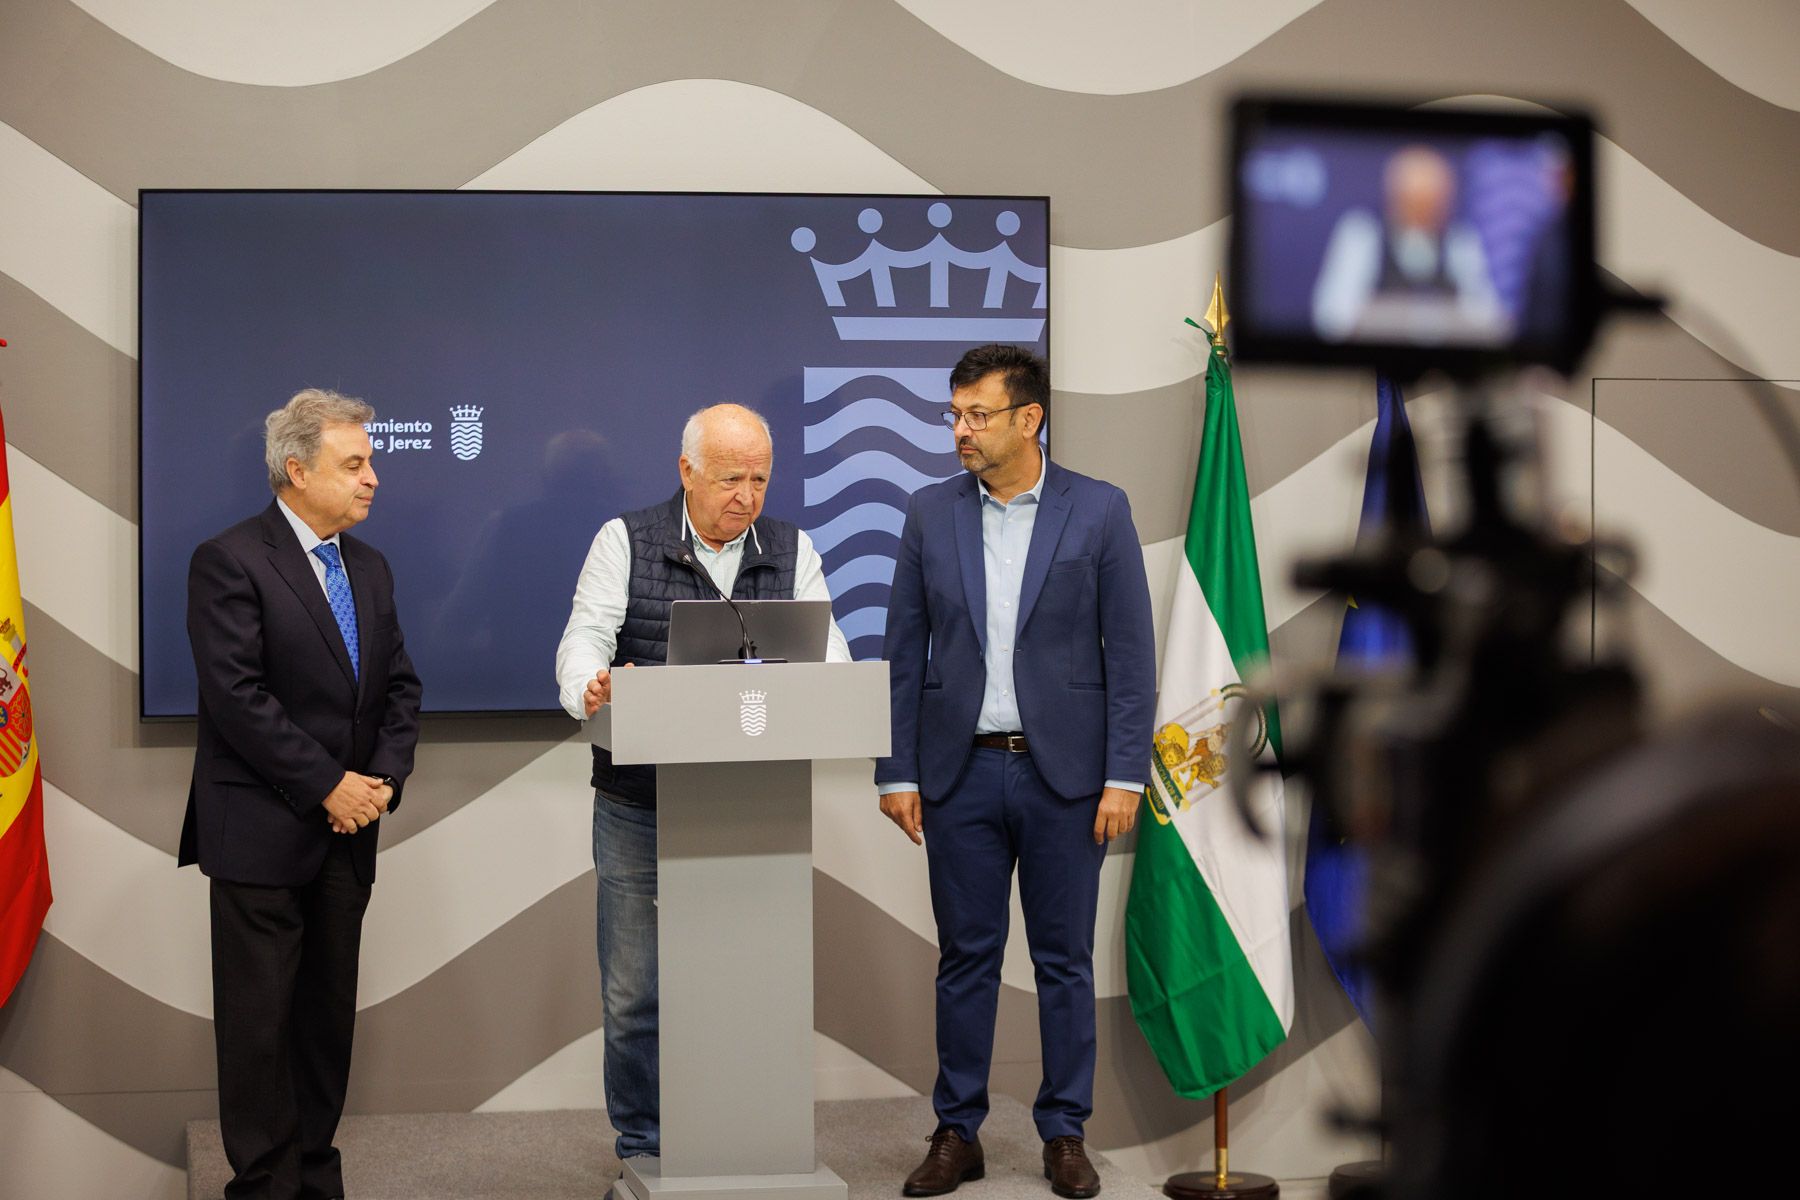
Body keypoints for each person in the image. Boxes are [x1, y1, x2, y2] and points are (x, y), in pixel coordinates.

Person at [876, 345, 1155, 1198]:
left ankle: (1065, 1132)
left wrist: (1126, 774)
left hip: (1067, 779)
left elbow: (1131, 653)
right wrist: (895, 770)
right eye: (955, 414)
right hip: (959, 773)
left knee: (1064, 960)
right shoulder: (930, 512)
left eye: (978, 415)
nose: (961, 430)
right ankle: (957, 1131)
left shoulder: (1099, 510)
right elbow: (903, 653)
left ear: (1029, 419)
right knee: (966, 957)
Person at [554, 403, 850, 1163]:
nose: (746, 496)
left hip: (757, 805)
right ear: (686, 471)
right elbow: (585, 637)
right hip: (640, 802)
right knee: (635, 992)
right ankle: (644, 1148)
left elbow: (834, 662)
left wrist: (832, 684)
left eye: (759, 480)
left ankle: (747, 1141)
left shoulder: (793, 548)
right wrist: (591, 685)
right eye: (729, 479)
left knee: (752, 981)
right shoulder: (625, 540)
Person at [179, 388, 422, 1200]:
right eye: (354, 464)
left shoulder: (371, 567)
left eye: (370, 462)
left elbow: (401, 689)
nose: (372, 478)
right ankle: (264, 1186)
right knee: (259, 1031)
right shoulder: (229, 560)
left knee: (324, 1023)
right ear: (297, 469)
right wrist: (328, 786)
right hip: (260, 833)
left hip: (349, 837)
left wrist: (380, 782)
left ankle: (316, 1176)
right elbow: (236, 698)